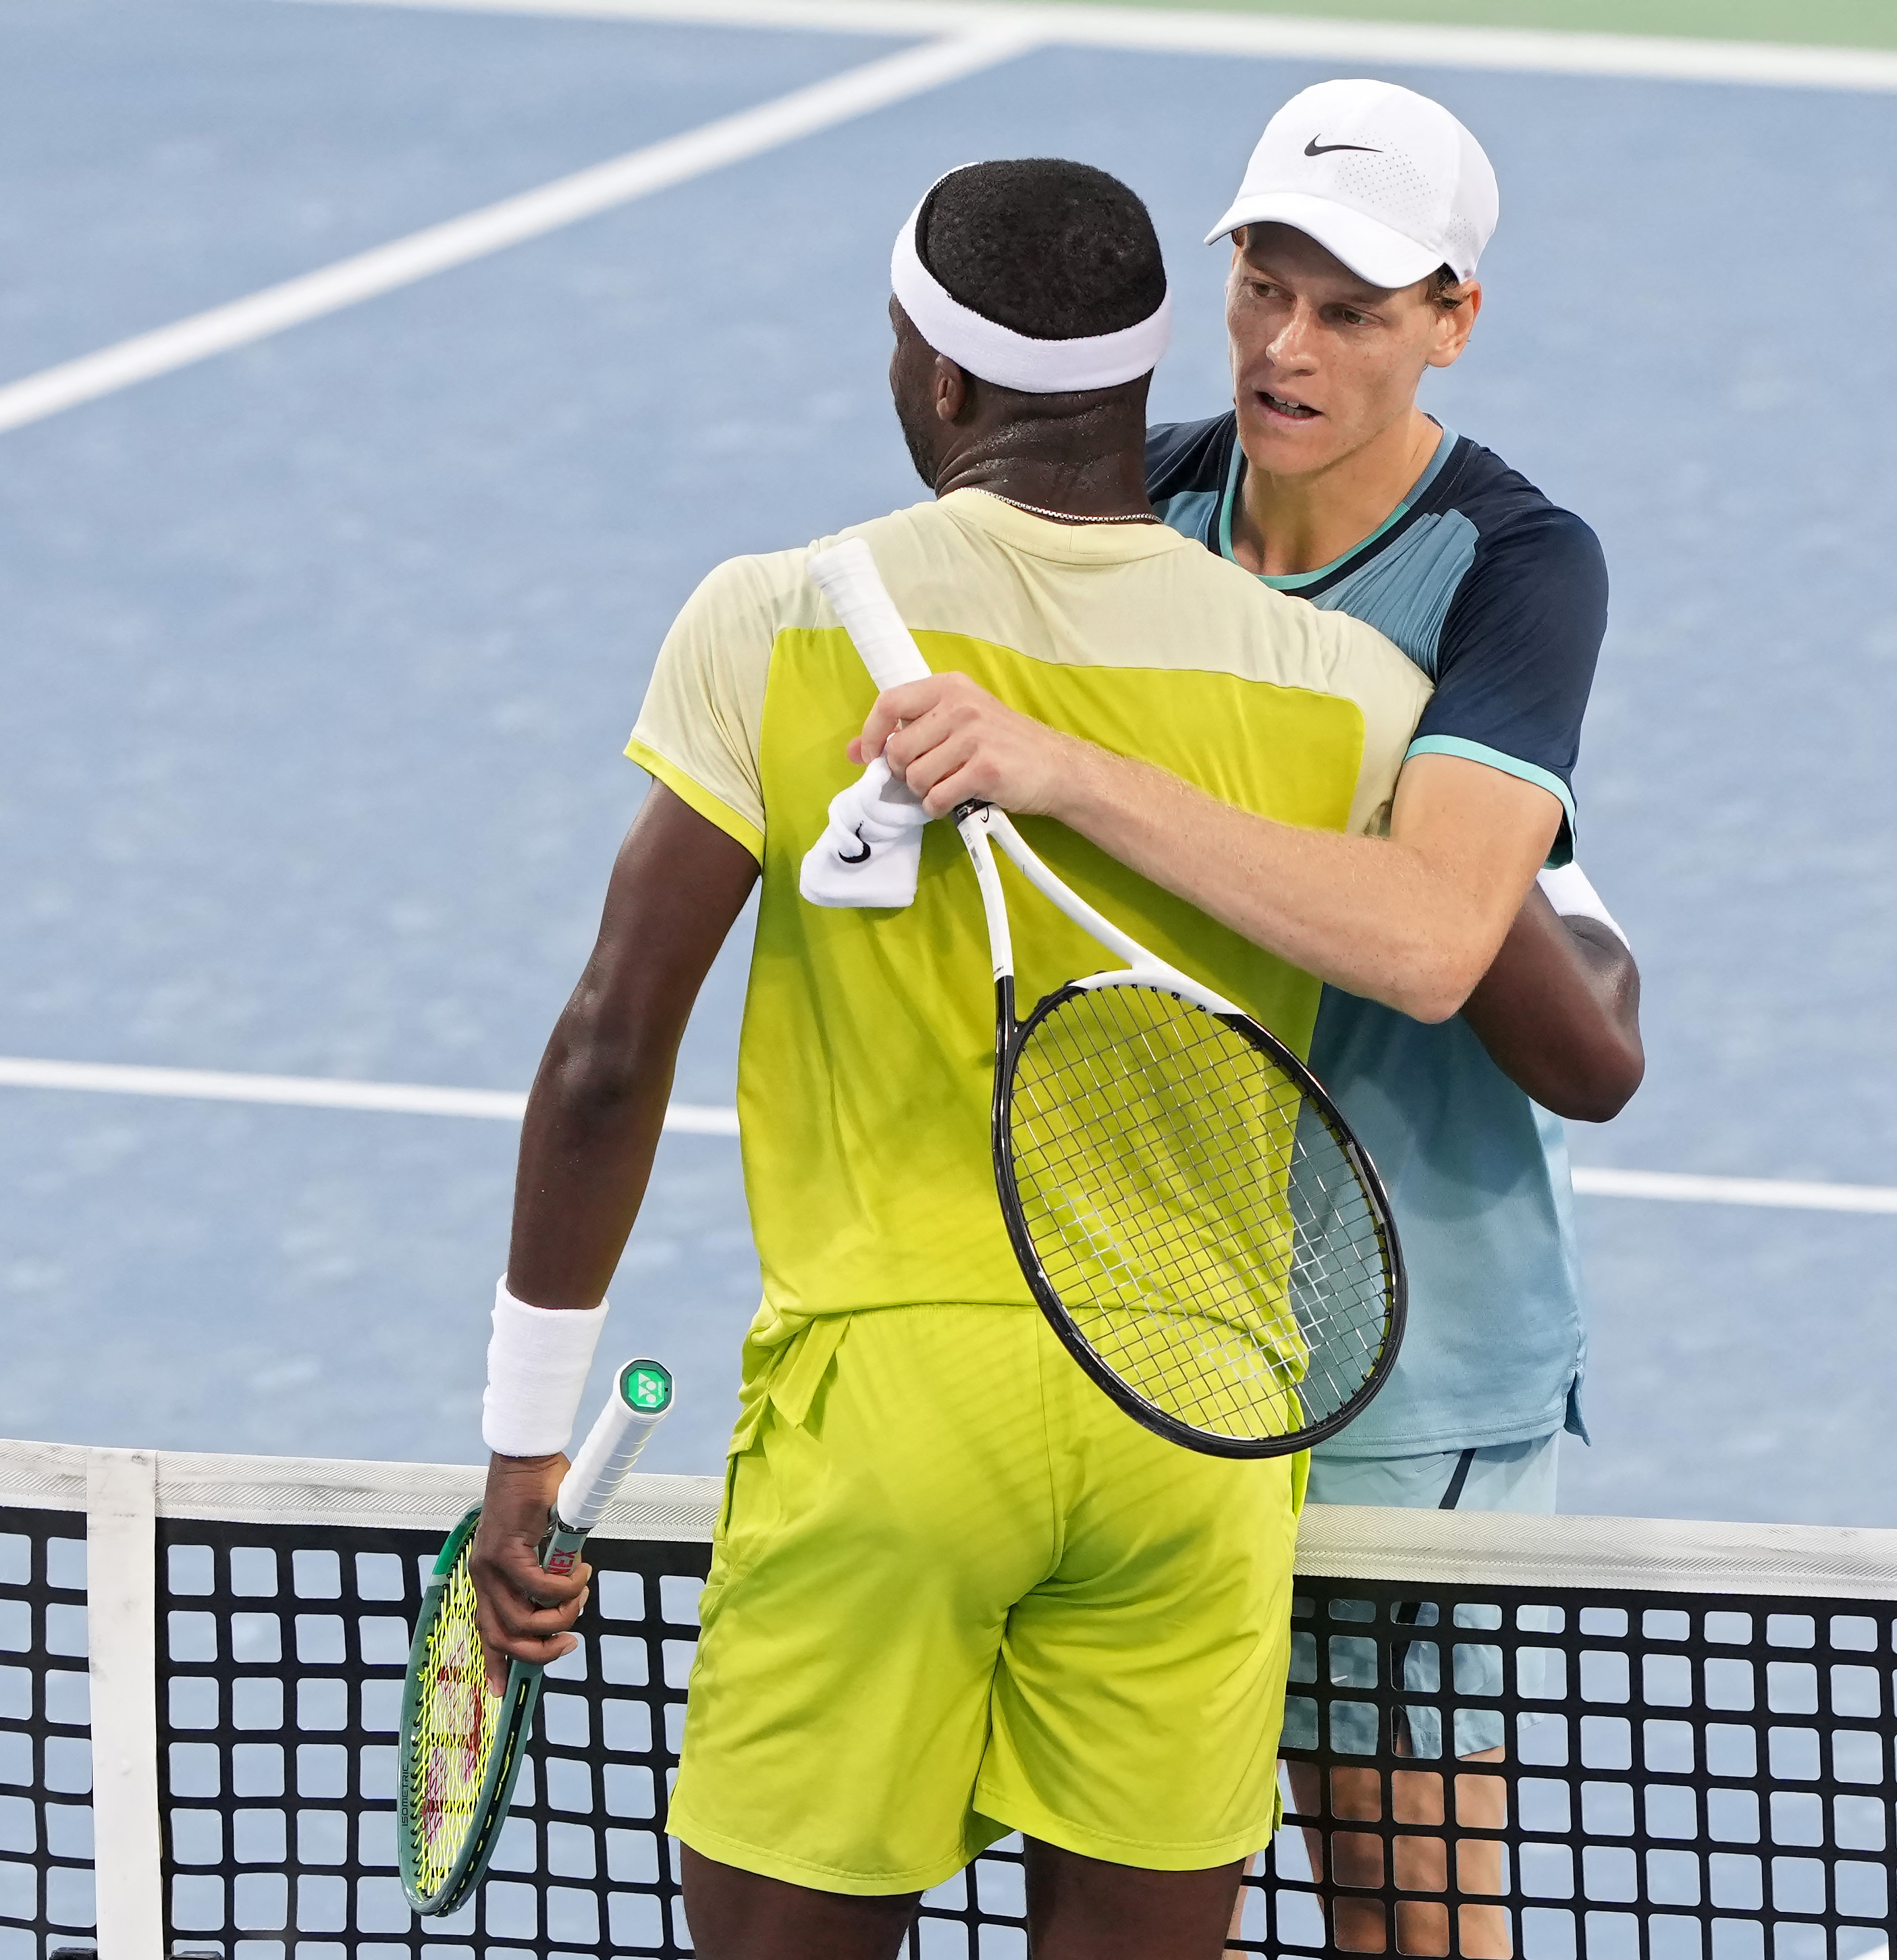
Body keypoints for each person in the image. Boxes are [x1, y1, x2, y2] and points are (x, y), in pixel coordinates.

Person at [462, 159, 1437, 1960]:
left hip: (895, 1421)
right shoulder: (1352, 689)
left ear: (934, 374)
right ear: (1150, 378)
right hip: (1196, 1433)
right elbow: (1552, 1009)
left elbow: (611, 1051)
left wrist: (527, 1453)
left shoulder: (781, 615)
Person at [857, 81, 1640, 1957]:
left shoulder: (1515, 567)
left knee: (1401, 1911)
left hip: (1405, 1349)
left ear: (1453, 316)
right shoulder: (1141, 501)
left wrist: (1076, 768)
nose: (1287, 347)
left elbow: (1441, 950)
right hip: (1138, 1320)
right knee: (1116, 1868)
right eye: (1260, 287)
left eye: (1352, 311)